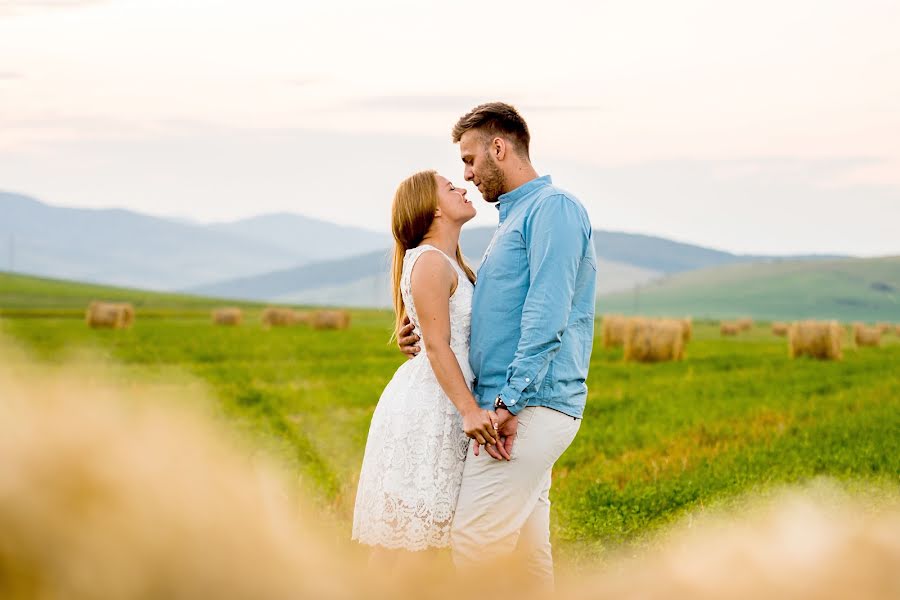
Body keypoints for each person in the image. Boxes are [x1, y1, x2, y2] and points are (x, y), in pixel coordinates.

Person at [398, 102, 597, 588]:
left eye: (469, 159)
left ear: (499, 148)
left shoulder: (554, 210)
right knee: (529, 556)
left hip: (528, 404)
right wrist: (424, 334)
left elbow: (546, 314)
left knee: (475, 542)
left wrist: (510, 401)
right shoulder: (513, 221)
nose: (467, 174)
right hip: (513, 404)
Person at [351, 170, 505, 569]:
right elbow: (436, 345)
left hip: (445, 400)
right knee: (404, 543)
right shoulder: (431, 262)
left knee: (427, 540)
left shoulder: (450, 262)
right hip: (430, 407)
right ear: (433, 209)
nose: (464, 187)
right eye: (452, 187)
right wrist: (470, 409)